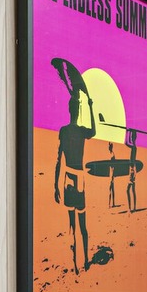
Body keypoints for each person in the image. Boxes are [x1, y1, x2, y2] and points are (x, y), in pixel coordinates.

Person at [54, 88, 96, 274]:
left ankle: (76, 264)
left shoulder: (64, 131)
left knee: (72, 225)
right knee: (83, 225)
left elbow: (58, 160)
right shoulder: (80, 131)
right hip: (78, 179)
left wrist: (56, 186)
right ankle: (85, 260)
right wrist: (90, 107)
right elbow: (94, 130)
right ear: (77, 111)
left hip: (67, 180)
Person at [126, 127, 138, 213]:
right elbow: (128, 142)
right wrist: (130, 133)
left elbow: (126, 142)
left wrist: (128, 132)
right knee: (132, 190)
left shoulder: (134, 147)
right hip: (132, 169)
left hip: (132, 170)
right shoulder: (134, 147)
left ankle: (131, 208)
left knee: (128, 190)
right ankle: (133, 208)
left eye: (131, 137)